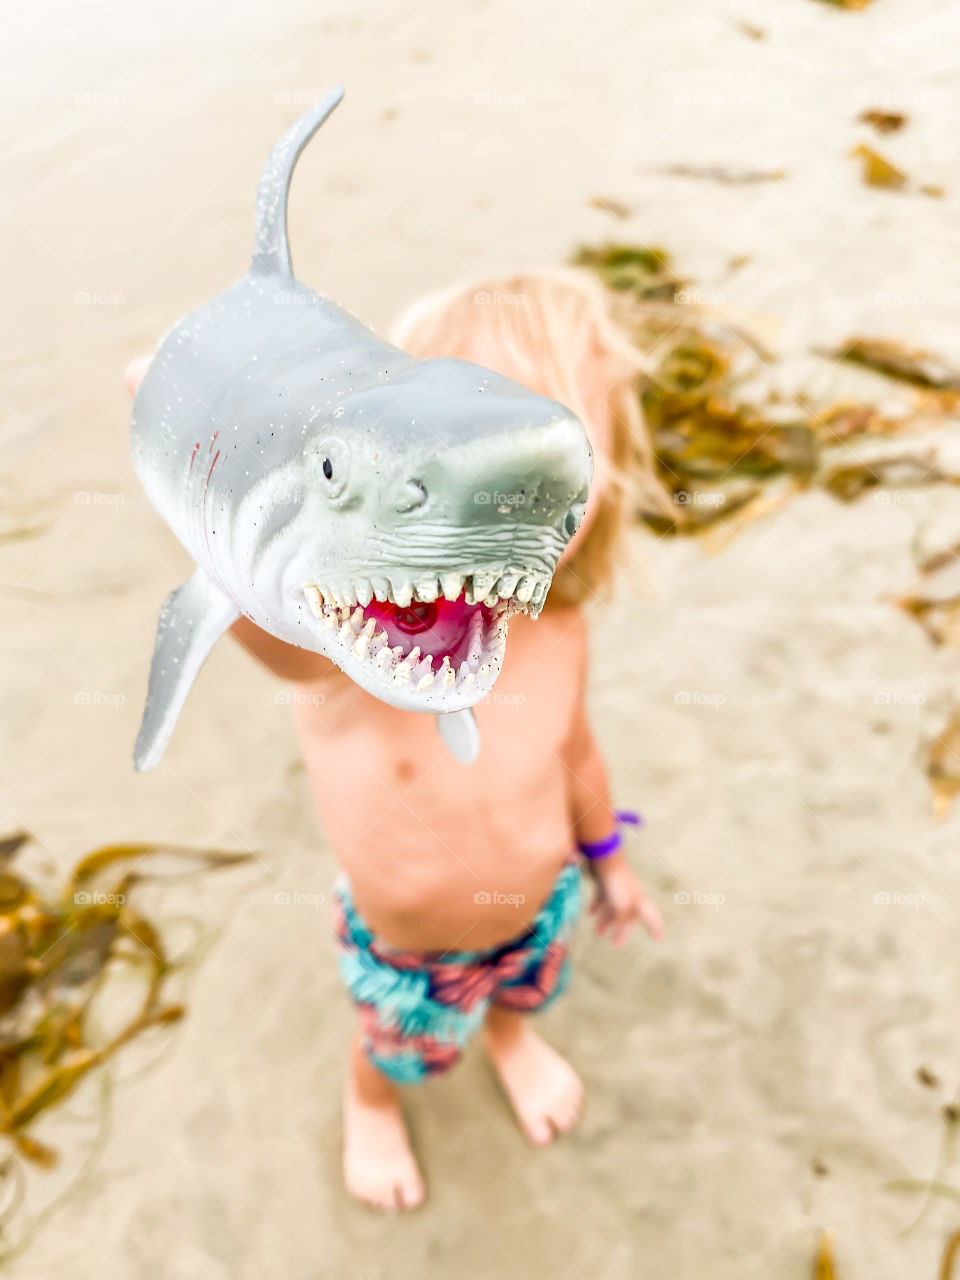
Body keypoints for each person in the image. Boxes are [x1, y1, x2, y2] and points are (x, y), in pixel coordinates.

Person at [125, 266, 666, 1212]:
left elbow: (574, 754)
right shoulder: (344, 647)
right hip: (408, 953)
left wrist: (610, 858)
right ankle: (367, 1102)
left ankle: (508, 1038)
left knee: (526, 995)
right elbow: (258, 613)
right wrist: (202, 443)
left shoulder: (560, 632)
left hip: (540, 910)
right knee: (397, 1051)